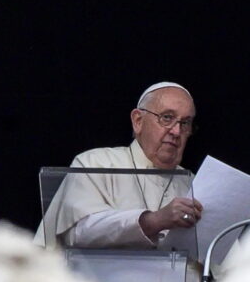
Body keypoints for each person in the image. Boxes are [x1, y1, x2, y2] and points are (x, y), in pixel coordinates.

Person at [35, 82, 204, 249]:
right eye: (167, 118)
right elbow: (79, 231)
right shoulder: (95, 163)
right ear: (138, 121)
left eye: (185, 123)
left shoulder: (194, 184)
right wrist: (154, 220)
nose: (176, 132)